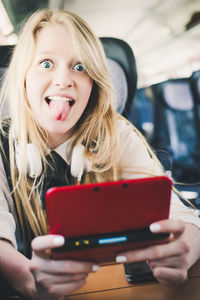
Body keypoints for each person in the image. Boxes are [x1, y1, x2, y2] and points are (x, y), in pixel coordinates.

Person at [0, 9, 200, 300]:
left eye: (79, 67)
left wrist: (187, 246)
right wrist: (27, 277)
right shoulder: (2, 143)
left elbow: (184, 218)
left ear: (93, 82)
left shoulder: (116, 133)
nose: (63, 80)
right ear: (23, 77)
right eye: (46, 63)